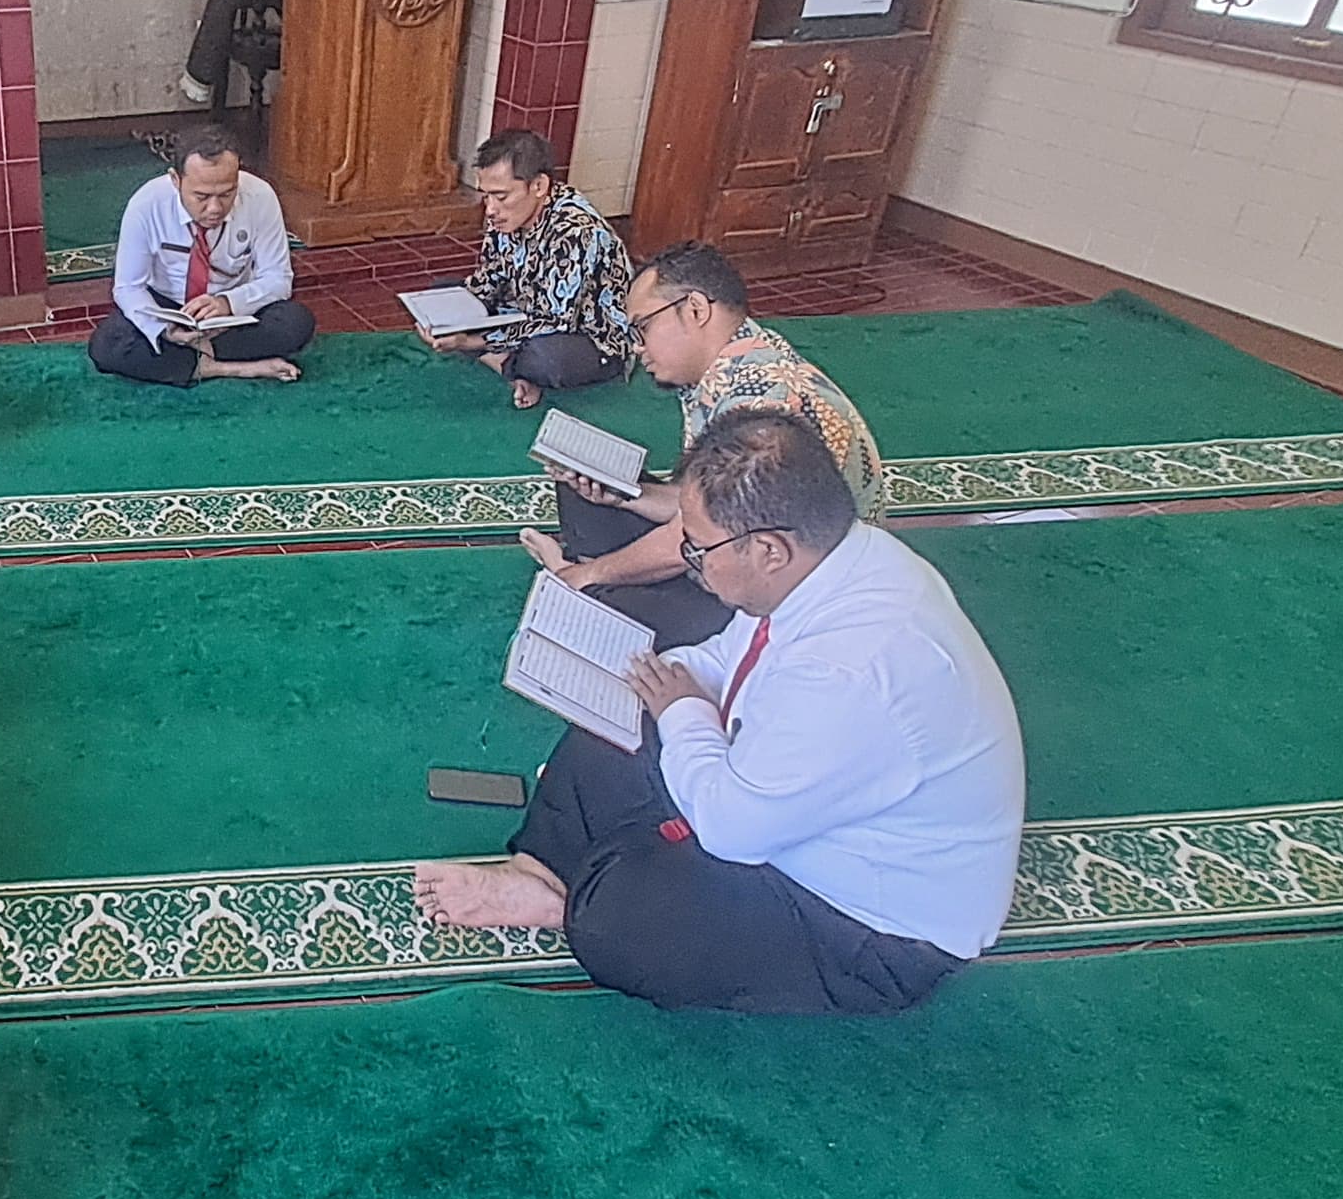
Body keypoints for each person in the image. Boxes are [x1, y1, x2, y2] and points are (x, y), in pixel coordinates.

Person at [417, 408, 1022, 1015]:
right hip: (788, 803)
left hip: (871, 927)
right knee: (616, 724)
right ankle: (539, 869)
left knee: (619, 917)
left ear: (769, 550)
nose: (691, 559)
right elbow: (727, 655)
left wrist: (682, 710)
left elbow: (732, 830)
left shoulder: (853, 670)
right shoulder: (839, 562)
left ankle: (562, 906)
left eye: (698, 548)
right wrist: (660, 682)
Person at [522, 240, 888, 647]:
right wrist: (627, 496)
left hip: (781, 598)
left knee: (592, 612)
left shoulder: (762, 403)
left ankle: (579, 575)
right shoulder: (734, 364)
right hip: (727, 548)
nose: (637, 347)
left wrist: (588, 576)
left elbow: (690, 537)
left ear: (696, 309)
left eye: (643, 327)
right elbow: (700, 510)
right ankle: (597, 574)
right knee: (588, 486)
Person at [87, 123, 318, 387]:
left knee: (295, 323)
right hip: (169, 309)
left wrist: (228, 304)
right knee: (108, 345)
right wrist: (164, 330)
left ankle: (187, 361)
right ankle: (228, 367)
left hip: (231, 314)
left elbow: (278, 278)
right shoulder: (147, 204)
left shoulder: (259, 196)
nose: (215, 208)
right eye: (201, 196)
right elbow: (128, 288)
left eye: (227, 194)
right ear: (176, 180)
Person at [425, 126, 634, 408]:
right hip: (521, 314)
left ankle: (505, 363)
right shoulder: (506, 216)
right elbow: (489, 280)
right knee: (442, 293)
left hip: (586, 336)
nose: (490, 209)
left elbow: (556, 322)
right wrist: (444, 318)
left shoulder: (576, 231)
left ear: (538, 186)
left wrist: (472, 341)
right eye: (486, 196)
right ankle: (511, 365)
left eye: (501, 197)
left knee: (548, 359)